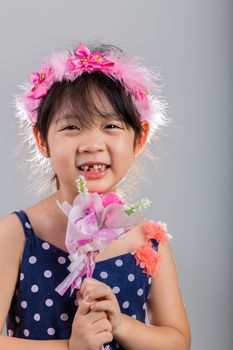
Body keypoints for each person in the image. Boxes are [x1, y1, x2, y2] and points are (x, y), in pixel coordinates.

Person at [0, 42, 191, 350]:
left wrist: (121, 325)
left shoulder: (148, 241)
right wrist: (70, 347)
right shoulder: (17, 233)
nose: (92, 143)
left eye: (111, 126)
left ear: (139, 138)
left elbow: (177, 341)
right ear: (42, 140)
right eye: (72, 127)